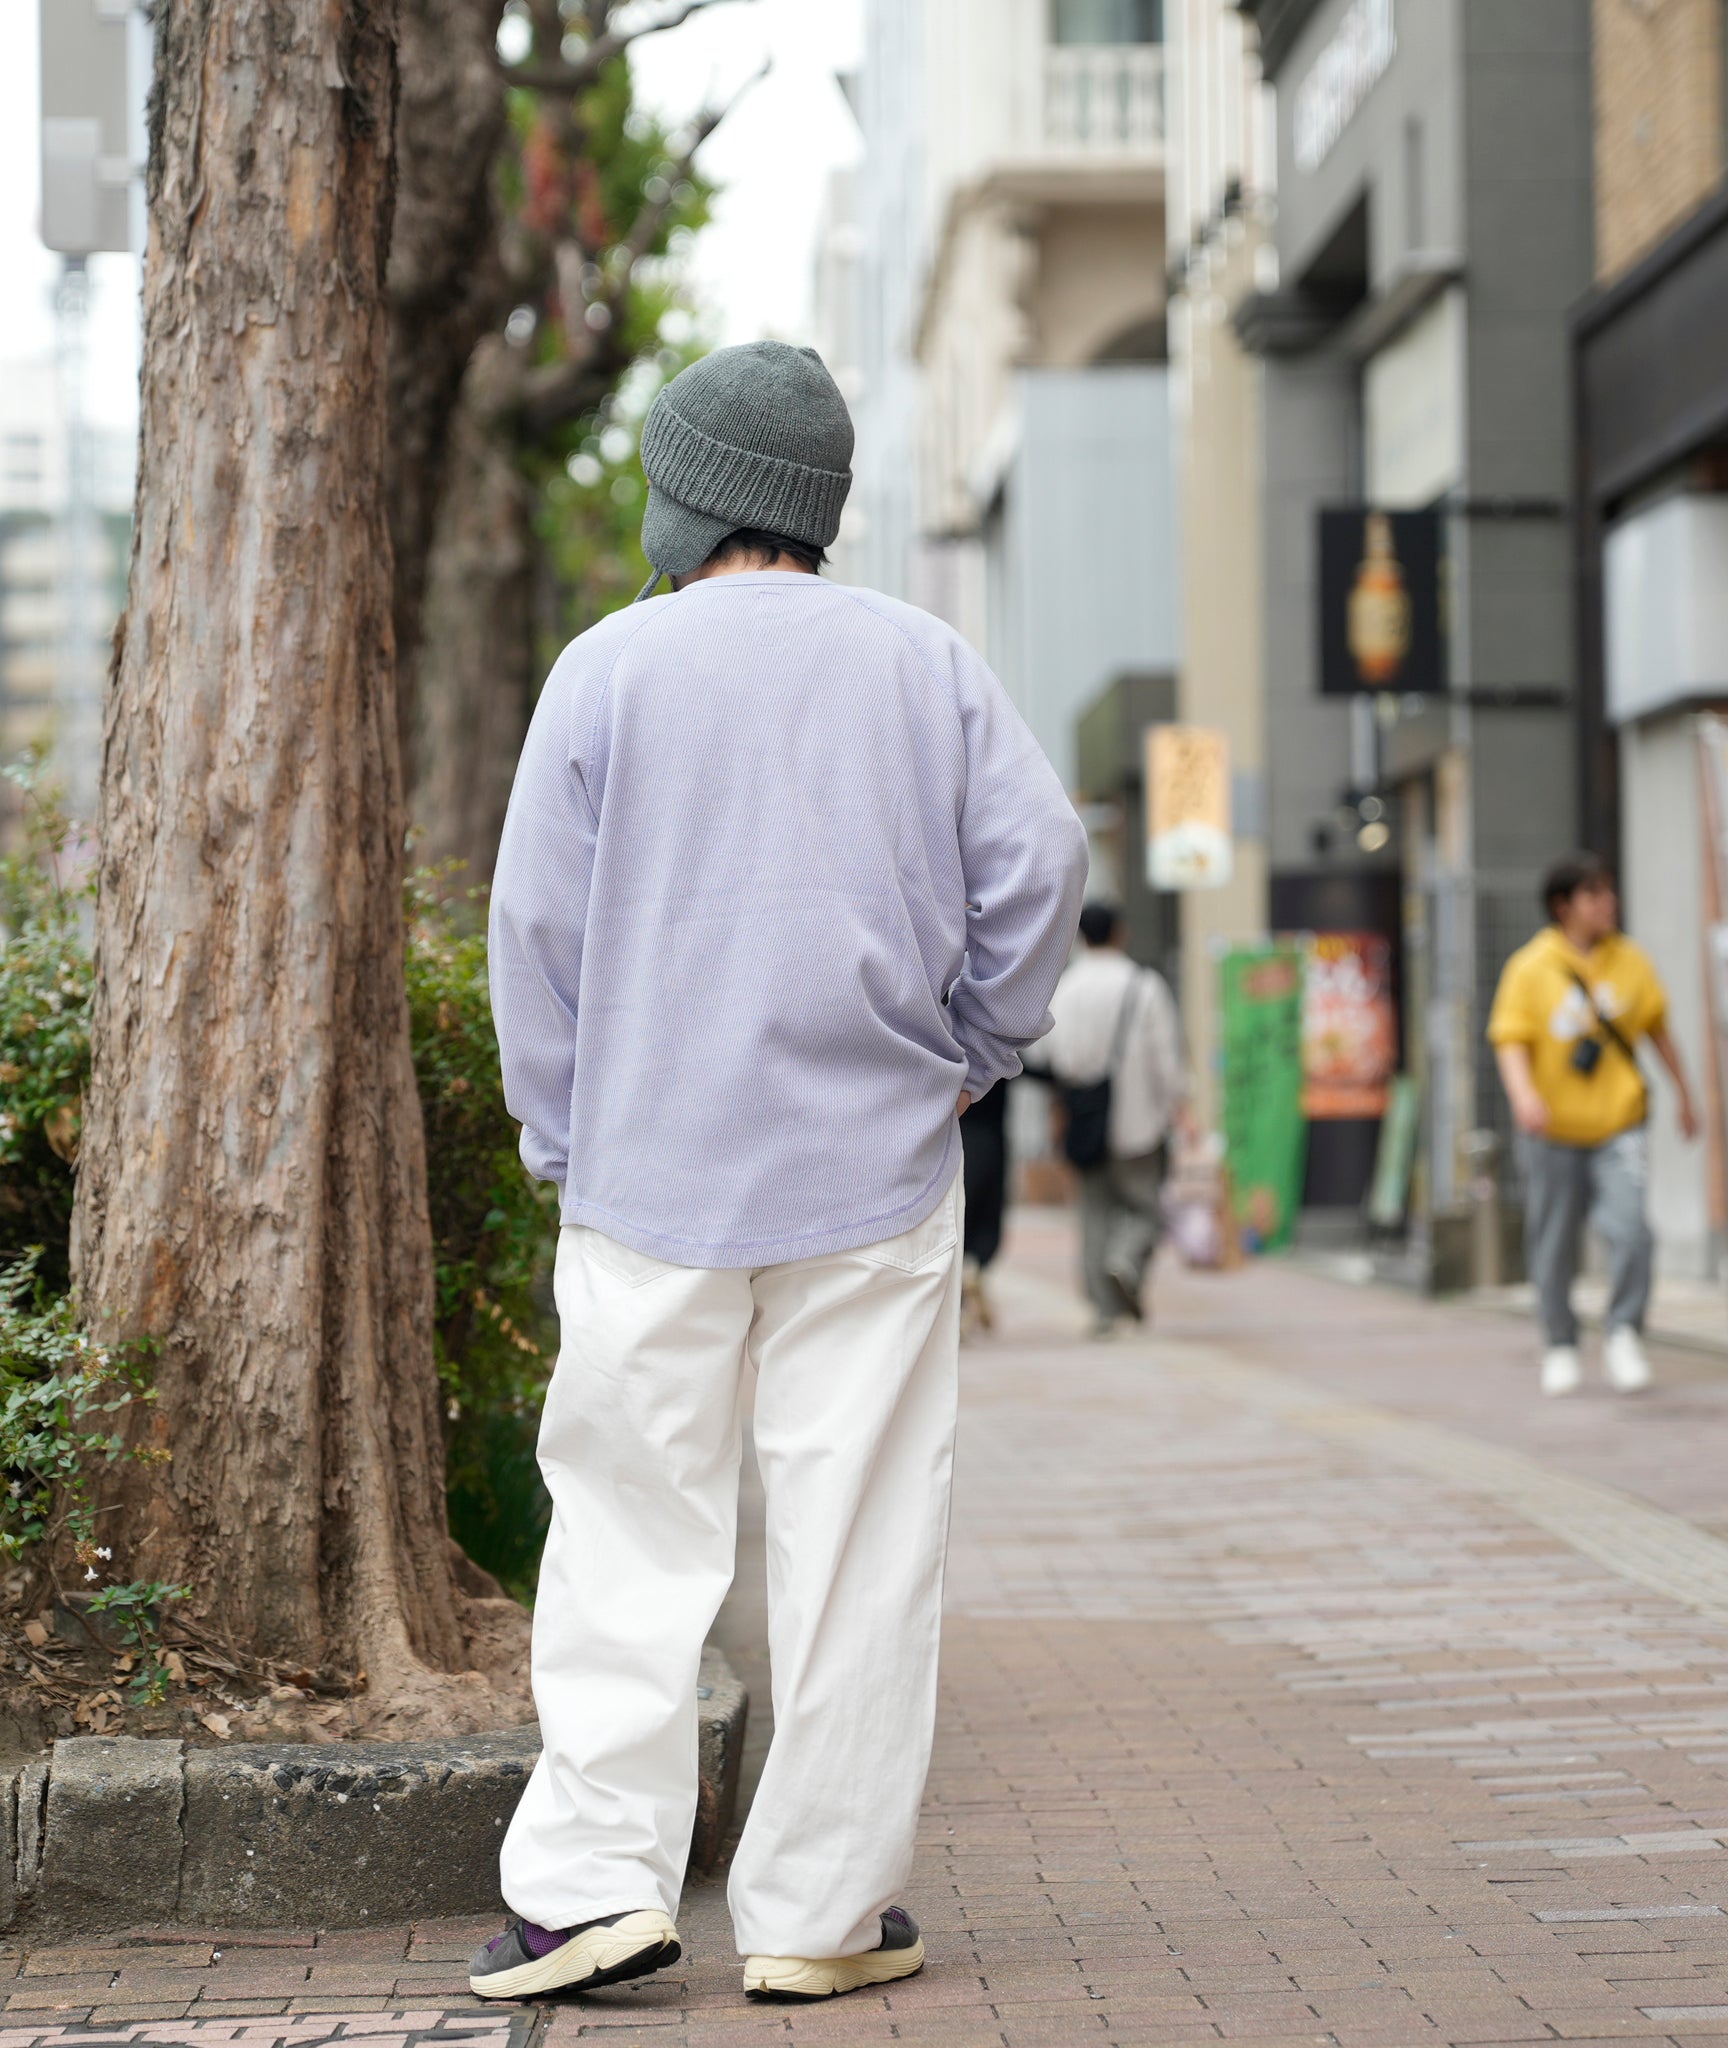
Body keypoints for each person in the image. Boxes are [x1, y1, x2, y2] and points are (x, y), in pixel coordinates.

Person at [476, 340, 1088, 2005]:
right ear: (816, 506)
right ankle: (819, 1905)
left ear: (685, 500)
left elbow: (531, 935)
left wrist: (559, 1130)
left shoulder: (604, 671)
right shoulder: (925, 664)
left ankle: (592, 1888)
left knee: (624, 1529)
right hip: (873, 1171)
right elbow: (1041, 863)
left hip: (644, 1177)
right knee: (859, 1536)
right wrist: (974, 1038)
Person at [1488, 852, 1699, 1397]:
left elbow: (1659, 1032)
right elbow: (1511, 1041)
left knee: (1632, 1229)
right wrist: (1524, 1095)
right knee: (1553, 1241)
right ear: (1564, 906)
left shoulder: (1631, 961)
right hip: (1551, 1129)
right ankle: (1560, 1343)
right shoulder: (1529, 967)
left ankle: (1624, 1330)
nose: (1608, 903)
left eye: (1609, 892)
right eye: (1594, 894)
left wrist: (1686, 1096)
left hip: (1618, 1125)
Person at [1036, 903, 1187, 1335]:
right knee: (1144, 1208)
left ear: (1082, 936)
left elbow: (1048, 1055)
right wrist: (1179, 1103)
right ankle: (1126, 1260)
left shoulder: (1065, 987)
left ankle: (1103, 1311)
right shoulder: (1143, 986)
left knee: (1094, 1212)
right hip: (1138, 1119)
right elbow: (1165, 1057)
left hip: (1086, 1120)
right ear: (1120, 933)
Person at [957, 1079, 1008, 1334]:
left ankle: (964, 1297)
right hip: (991, 1140)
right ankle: (974, 1273)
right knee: (986, 1217)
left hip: (959, 1138)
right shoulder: (993, 1048)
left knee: (960, 1219)